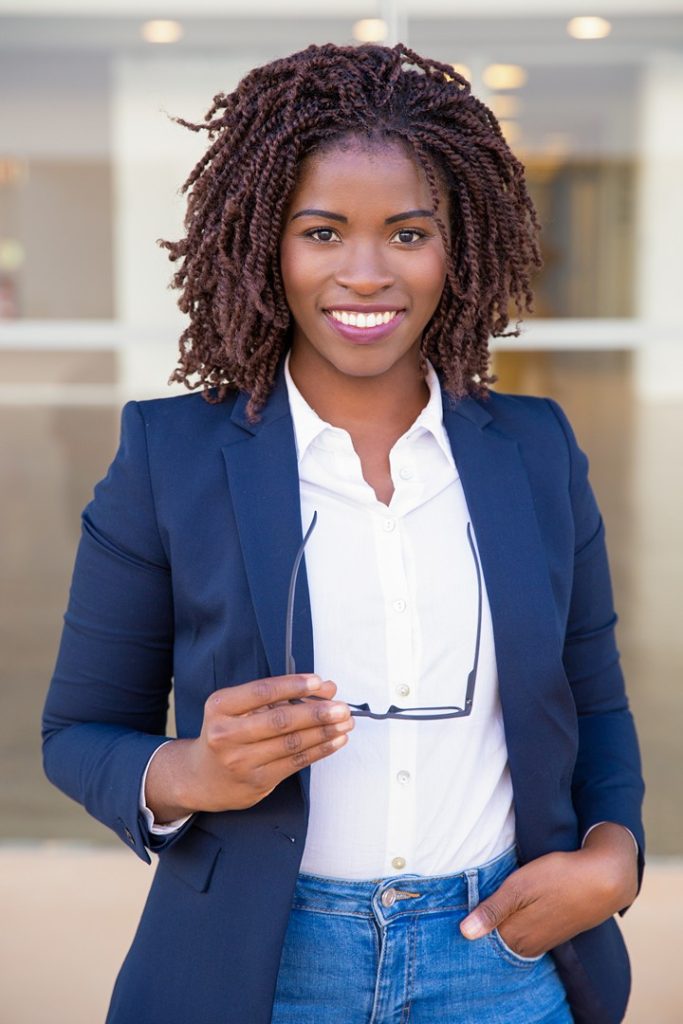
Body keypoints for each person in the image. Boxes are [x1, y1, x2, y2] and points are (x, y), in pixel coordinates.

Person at [42, 42, 645, 1024]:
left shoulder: (534, 450)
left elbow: (594, 703)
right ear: (264, 247)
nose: (365, 274)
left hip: (498, 956)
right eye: (321, 232)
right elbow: (76, 733)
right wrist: (190, 772)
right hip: (266, 967)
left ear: (456, 250)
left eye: (407, 234)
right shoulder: (170, 456)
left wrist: (613, 855)